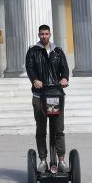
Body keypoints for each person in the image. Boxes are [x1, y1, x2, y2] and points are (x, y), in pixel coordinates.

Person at [25, 24, 69, 173]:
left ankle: (61, 160)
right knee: (41, 128)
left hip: (55, 94)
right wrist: (35, 80)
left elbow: (64, 67)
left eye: (46, 34)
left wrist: (64, 78)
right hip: (39, 95)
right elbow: (29, 67)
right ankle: (43, 160)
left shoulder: (58, 51)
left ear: (50, 35)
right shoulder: (33, 51)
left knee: (58, 129)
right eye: (42, 34)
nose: (44, 36)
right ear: (39, 35)